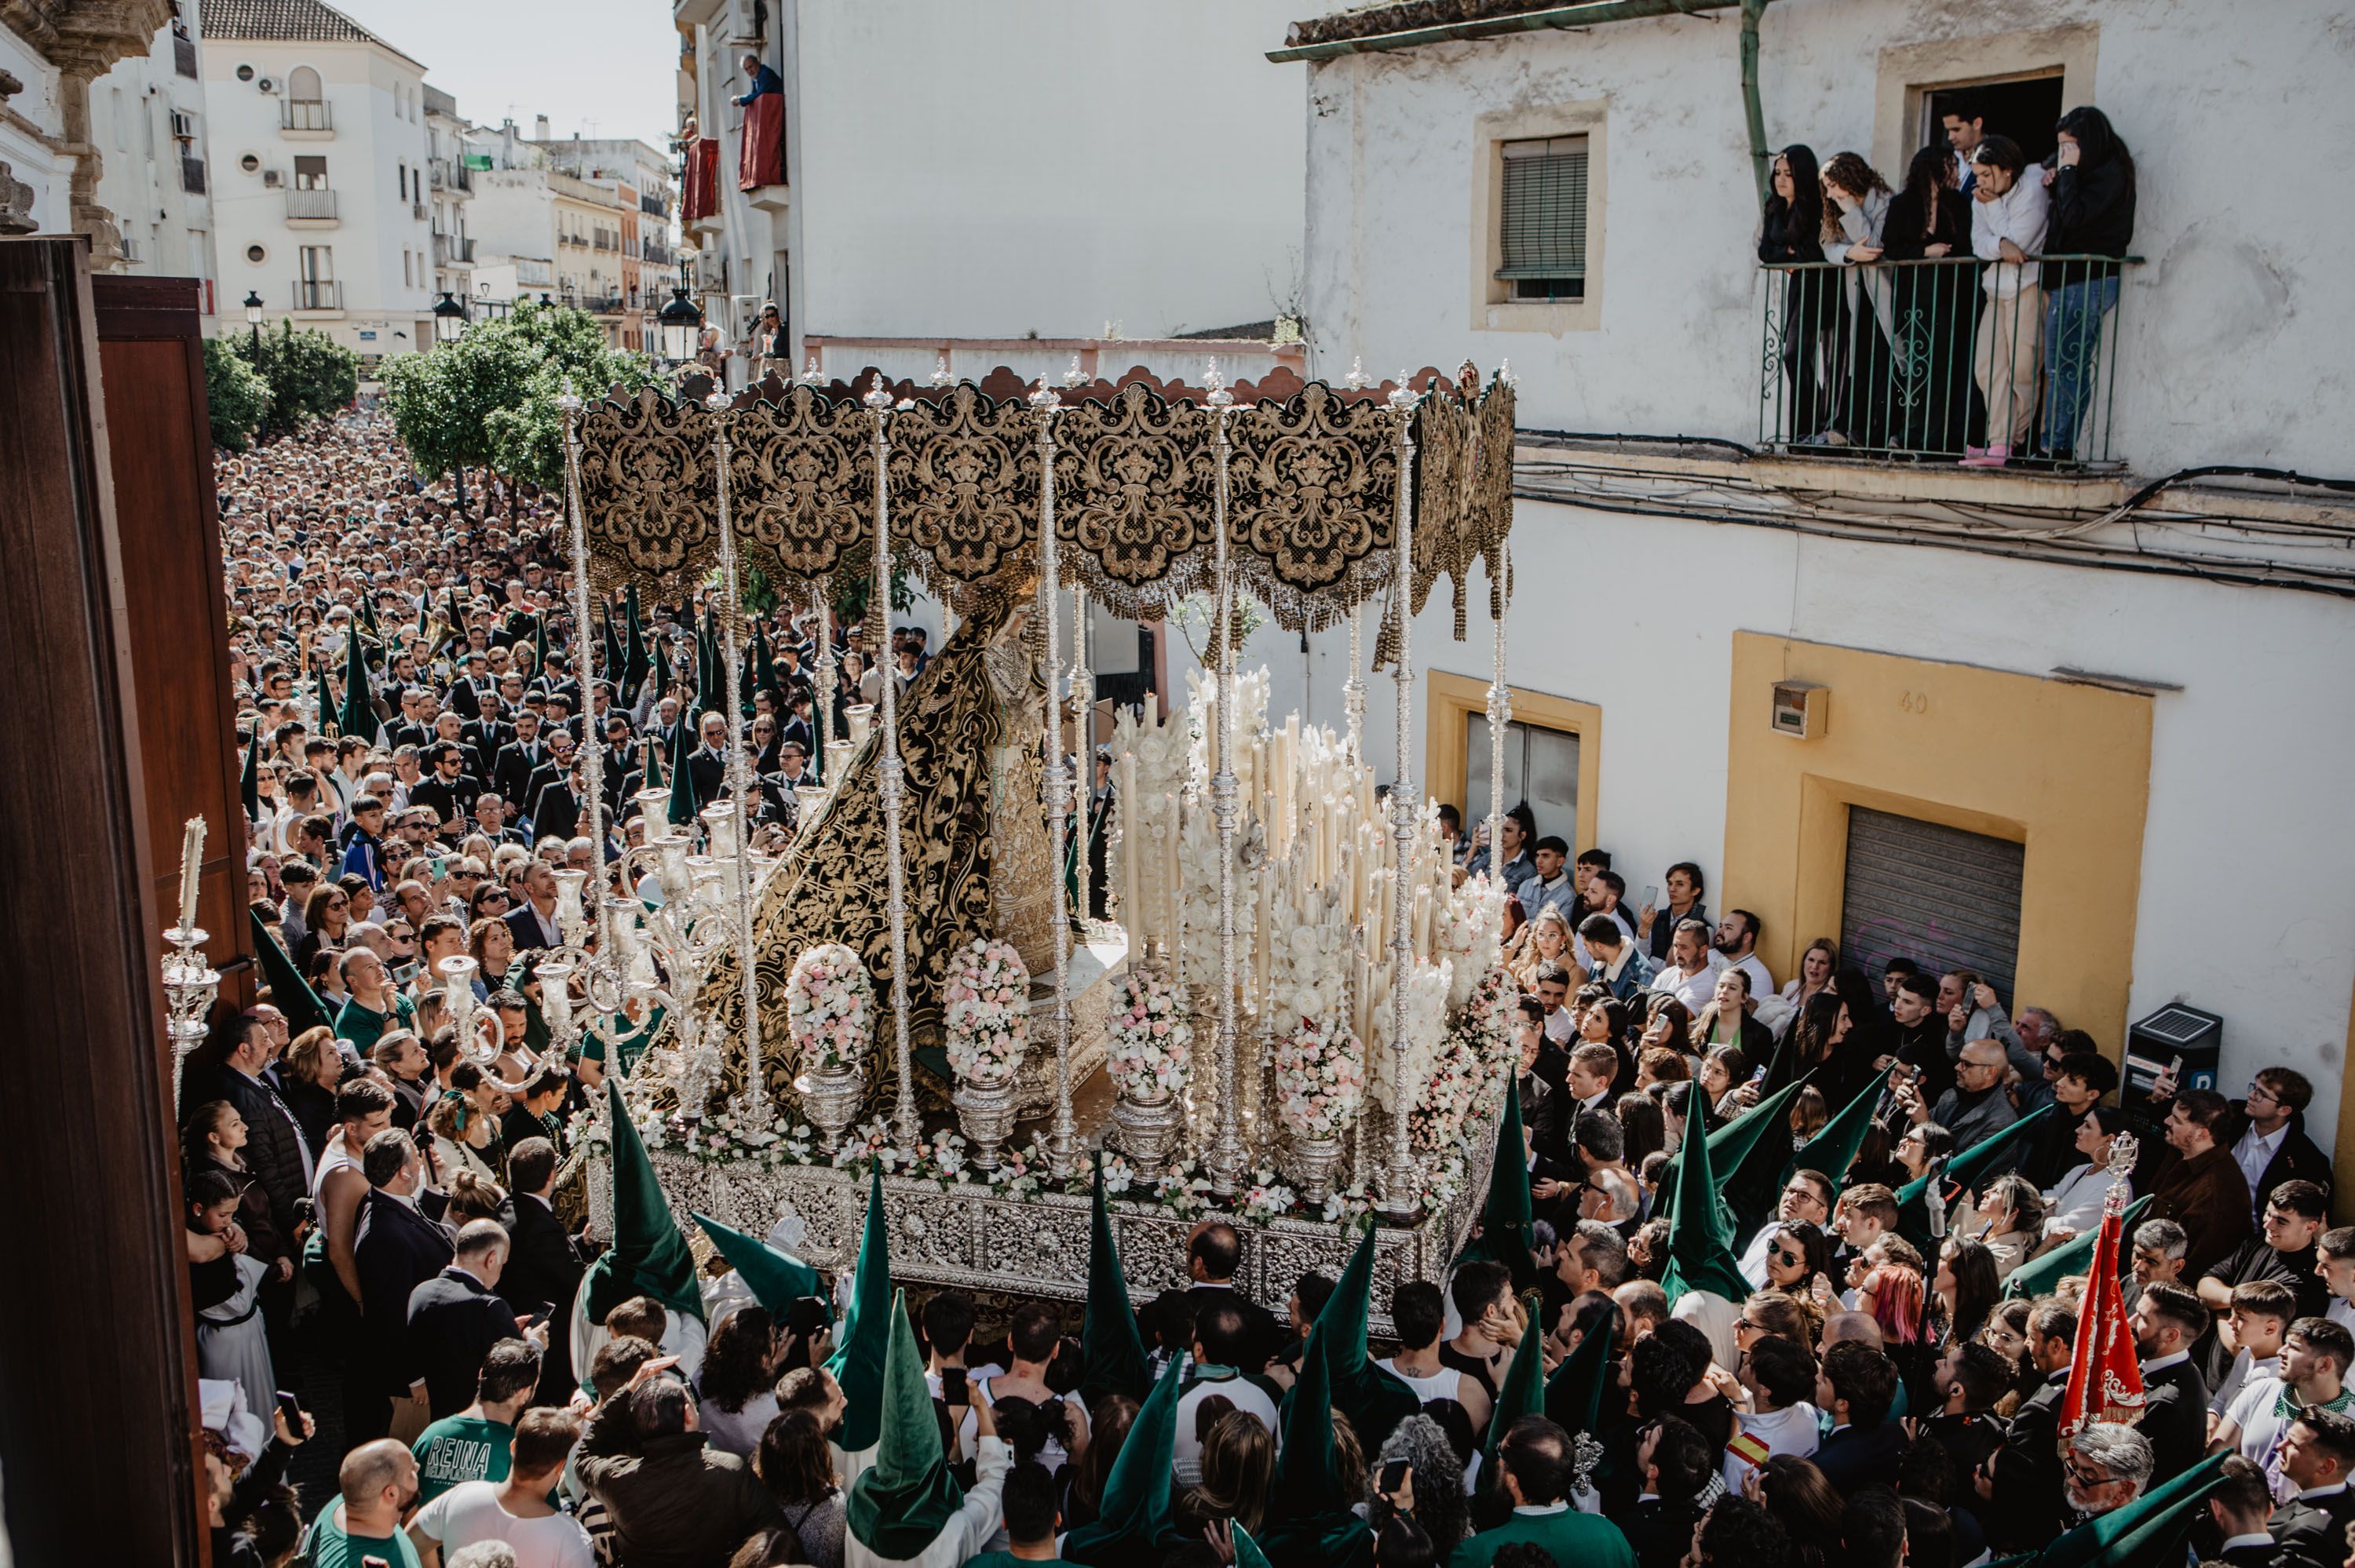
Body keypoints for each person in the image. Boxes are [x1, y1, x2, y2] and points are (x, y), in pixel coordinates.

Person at [576, 1368, 788, 1567]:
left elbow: (585, 1454)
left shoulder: (618, 1480)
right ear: (688, 1414)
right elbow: (775, 1534)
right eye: (687, 1394)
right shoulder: (729, 1470)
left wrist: (627, 1392)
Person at [2039, 108, 2137, 461]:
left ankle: (2060, 449)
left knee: (2068, 365)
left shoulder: (2109, 173)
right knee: (2057, 366)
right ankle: (2052, 444)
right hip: (2067, 281)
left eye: (2070, 147)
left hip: (2089, 280)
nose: (2065, 154)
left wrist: (2066, 172)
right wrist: (2058, 167)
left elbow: (2075, 217)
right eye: (2061, 147)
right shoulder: (2083, 170)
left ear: (2089, 143)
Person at [407, 1407, 594, 1568]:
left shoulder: (460, 1496)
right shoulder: (572, 1539)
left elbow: (409, 1544)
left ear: (512, 1447)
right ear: (560, 1467)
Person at [1880, 144, 1976, 456]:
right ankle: (1909, 432)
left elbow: (1967, 246)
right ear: (1937, 167)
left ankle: (1936, 438)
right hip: (1914, 295)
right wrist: (1925, 252)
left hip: (1949, 294)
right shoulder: (1903, 204)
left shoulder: (1958, 204)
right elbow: (1892, 248)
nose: (1957, 170)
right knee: (1915, 364)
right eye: (1952, 164)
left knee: (1944, 364)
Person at [1447, 1416, 1637, 1568]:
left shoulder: (1475, 1554)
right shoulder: (1610, 1536)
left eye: (1500, 1453)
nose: (1497, 1461)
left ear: (1512, 1480)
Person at [1964, 135, 2049, 466]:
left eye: (1986, 174)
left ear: (2007, 171)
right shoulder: (1982, 198)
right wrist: (2000, 246)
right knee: (1987, 366)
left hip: (2028, 286)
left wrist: (1995, 220)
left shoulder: (2033, 190)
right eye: (1977, 175)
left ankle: (2011, 442)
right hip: (1996, 289)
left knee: (2023, 369)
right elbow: (1977, 242)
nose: (1980, 182)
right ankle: (1998, 441)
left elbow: (2021, 241)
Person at [409, 1220, 542, 1420]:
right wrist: (534, 1342)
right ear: (492, 1259)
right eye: (502, 1263)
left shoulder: (421, 1292)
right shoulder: (489, 1306)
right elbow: (520, 1373)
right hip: (481, 1423)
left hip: (439, 1417)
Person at [1816, 151, 1896, 450]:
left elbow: (1875, 245)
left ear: (1849, 180)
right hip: (1856, 288)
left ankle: (1879, 430)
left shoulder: (1884, 202)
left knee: (1882, 356)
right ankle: (1854, 428)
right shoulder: (1833, 207)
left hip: (1882, 290)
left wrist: (1851, 209)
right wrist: (1849, 254)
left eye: (1833, 185)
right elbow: (1829, 246)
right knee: (1859, 358)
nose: (1829, 193)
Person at [1759, 145, 1837, 445]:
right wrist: (1790, 253)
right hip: (1799, 286)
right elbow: (1765, 252)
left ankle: (1812, 426)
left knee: (1801, 355)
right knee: (1794, 356)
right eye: (1777, 173)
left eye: (1788, 174)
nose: (1780, 180)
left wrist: (1789, 254)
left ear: (1801, 176)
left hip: (1821, 285)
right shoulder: (1775, 209)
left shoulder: (1815, 207)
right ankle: (1808, 426)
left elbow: (1814, 250)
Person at [413, 1338, 543, 1504]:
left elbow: (405, 1504)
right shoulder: (519, 1449)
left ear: (481, 1374)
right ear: (524, 1393)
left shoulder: (431, 1434)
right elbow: (542, 1511)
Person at [305, 1439, 422, 1567]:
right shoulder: (387, 1561)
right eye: (411, 1471)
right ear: (391, 1494)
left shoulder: (340, 1504)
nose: (417, 1468)